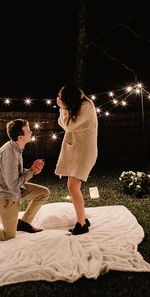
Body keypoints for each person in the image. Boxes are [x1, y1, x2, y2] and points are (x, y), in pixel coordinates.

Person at [55, 84, 98, 235]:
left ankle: (82, 225)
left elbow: (70, 126)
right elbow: (64, 124)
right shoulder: (78, 105)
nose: (59, 99)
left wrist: (63, 108)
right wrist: (63, 108)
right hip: (77, 150)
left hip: (84, 152)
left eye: (62, 97)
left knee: (73, 186)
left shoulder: (86, 107)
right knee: (72, 185)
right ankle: (83, 219)